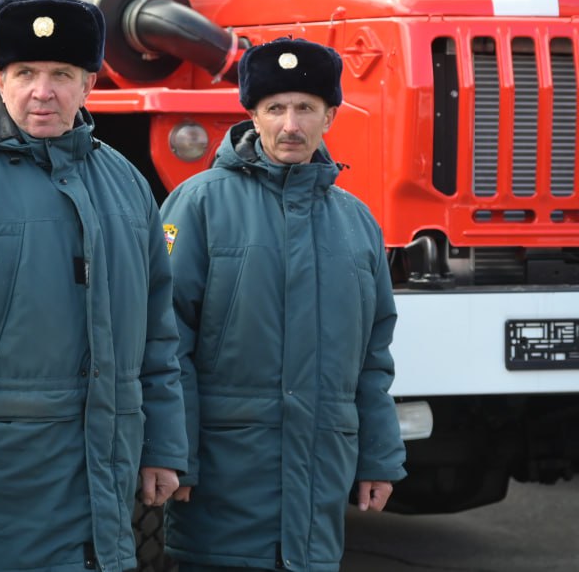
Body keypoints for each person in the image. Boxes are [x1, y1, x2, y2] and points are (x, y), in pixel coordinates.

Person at [0, 0, 188, 572]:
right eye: (25, 73)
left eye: (61, 75)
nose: (41, 91)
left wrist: (164, 446)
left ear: (89, 83)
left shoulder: (125, 184)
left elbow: (158, 332)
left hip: (106, 480)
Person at [159, 37, 407, 572]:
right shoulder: (198, 204)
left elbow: (372, 355)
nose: (290, 125)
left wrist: (379, 457)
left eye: (305, 109)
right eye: (275, 108)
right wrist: (174, 455)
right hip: (224, 491)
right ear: (252, 114)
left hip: (318, 495)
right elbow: (164, 342)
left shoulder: (356, 221)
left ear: (330, 116)